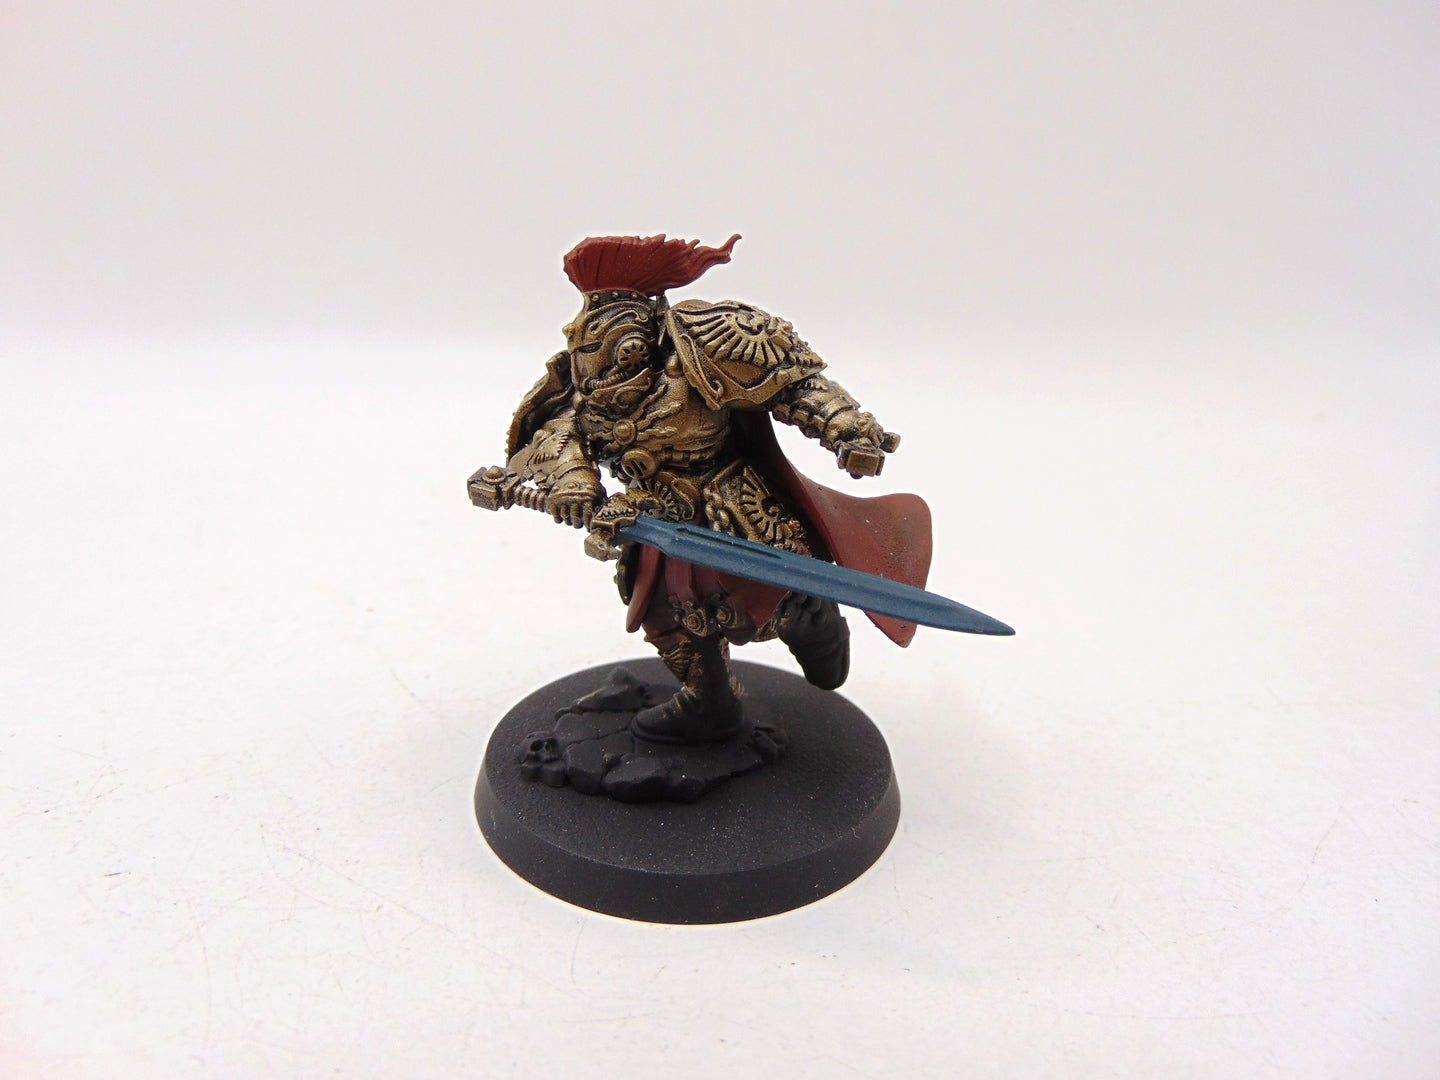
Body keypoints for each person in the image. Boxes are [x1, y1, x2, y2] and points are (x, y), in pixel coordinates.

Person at [501, 234, 932, 745]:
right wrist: (573, 483)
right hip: (651, 516)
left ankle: (814, 625)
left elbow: (792, 385)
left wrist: (845, 428)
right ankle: (709, 703)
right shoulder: (582, 377)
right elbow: (560, 429)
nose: (614, 366)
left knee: (768, 596)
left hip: (733, 503)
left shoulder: (703, 340)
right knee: (665, 616)